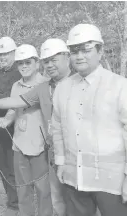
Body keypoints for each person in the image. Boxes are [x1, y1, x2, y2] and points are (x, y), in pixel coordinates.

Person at [0, 38, 72, 216]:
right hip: (19, 143)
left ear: (36, 63)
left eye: (28, 62)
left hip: (40, 146)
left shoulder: (44, 84)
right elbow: (13, 105)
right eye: (21, 63)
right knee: (23, 188)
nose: (24, 66)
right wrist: (6, 119)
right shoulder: (16, 85)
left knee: (43, 191)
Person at [51, 23, 127, 216]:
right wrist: (61, 162)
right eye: (74, 51)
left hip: (112, 181)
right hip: (74, 178)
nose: (79, 56)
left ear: (100, 51)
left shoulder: (119, 86)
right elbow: (58, 127)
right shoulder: (63, 88)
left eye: (86, 50)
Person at [0, 36, 22, 216]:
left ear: (14, 53)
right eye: (0, 54)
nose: (3, 58)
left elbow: (17, 101)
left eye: (6, 54)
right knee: (3, 166)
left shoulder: (19, 73)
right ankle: (12, 200)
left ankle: (16, 203)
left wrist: (7, 118)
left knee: (12, 167)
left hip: (12, 127)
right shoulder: (0, 74)